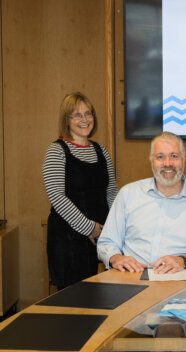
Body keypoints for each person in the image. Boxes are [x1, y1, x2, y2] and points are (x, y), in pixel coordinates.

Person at [97, 131, 186, 273]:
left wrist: (183, 261)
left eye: (174, 156)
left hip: (179, 278)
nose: (167, 164)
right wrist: (116, 258)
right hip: (132, 277)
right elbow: (107, 242)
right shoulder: (128, 194)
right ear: (151, 160)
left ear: (183, 159)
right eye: (160, 157)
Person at [43, 92, 118, 290]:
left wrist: (112, 228)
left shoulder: (101, 150)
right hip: (68, 241)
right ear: (66, 120)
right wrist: (89, 228)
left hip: (101, 236)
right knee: (74, 302)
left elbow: (111, 192)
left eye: (88, 113)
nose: (84, 120)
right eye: (76, 115)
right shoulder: (56, 151)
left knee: (102, 295)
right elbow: (57, 197)